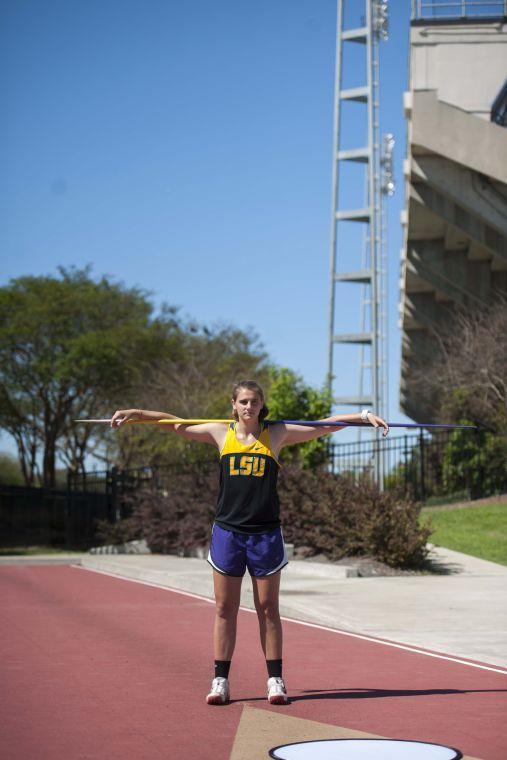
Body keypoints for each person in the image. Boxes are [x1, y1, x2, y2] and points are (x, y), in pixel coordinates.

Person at [110, 380, 389, 706]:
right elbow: (175, 423)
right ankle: (220, 680)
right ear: (233, 404)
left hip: (266, 535)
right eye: (243, 401)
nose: (248, 407)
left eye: (254, 401)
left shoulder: (277, 434)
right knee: (224, 609)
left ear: (261, 404)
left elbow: (325, 427)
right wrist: (136, 413)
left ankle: (275, 679)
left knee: (268, 609)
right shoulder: (220, 433)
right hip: (228, 534)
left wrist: (363, 415)